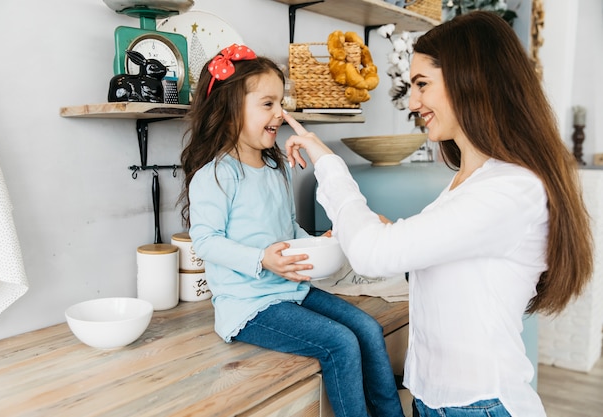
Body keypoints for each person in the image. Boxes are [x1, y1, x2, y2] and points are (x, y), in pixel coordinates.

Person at [283, 12, 593, 417]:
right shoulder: (469, 179)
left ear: (471, 80)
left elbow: (375, 254)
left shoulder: (511, 188)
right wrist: (386, 232)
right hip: (436, 403)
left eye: (422, 85)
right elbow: (443, 251)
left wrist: (328, 164)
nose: (413, 103)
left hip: (482, 406)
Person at [178, 44, 405, 417]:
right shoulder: (215, 175)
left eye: (280, 103)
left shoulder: (275, 167)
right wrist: (261, 259)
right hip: (248, 305)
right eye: (267, 104)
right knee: (340, 343)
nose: (279, 114)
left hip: (290, 290)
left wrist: (318, 243)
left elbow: (287, 228)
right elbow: (205, 241)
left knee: (366, 327)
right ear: (229, 110)